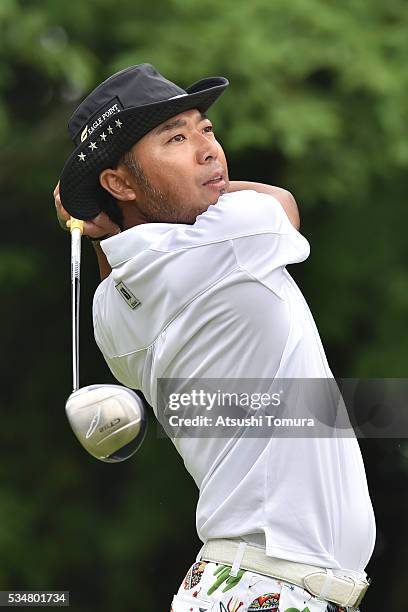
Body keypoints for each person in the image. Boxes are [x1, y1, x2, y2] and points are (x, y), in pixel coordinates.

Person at [54, 63, 376, 612]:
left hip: (249, 585)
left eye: (204, 129)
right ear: (121, 182)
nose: (208, 150)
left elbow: (127, 270)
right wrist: (111, 218)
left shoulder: (107, 314)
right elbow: (285, 205)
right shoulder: (224, 241)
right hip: (268, 589)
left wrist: (103, 217)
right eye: (175, 138)